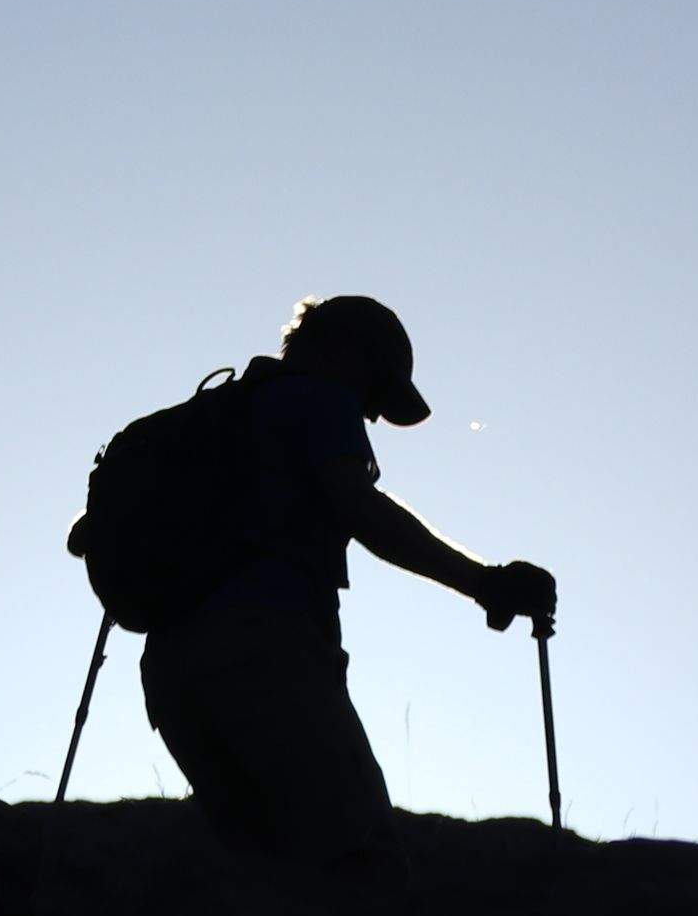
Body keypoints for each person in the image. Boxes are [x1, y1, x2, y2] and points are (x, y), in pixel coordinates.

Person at [140, 294, 557, 860]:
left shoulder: (220, 416)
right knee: (358, 859)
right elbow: (361, 512)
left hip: (173, 672)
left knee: (265, 873)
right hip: (263, 652)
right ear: (348, 354)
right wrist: (485, 582)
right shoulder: (318, 398)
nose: (372, 415)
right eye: (377, 390)